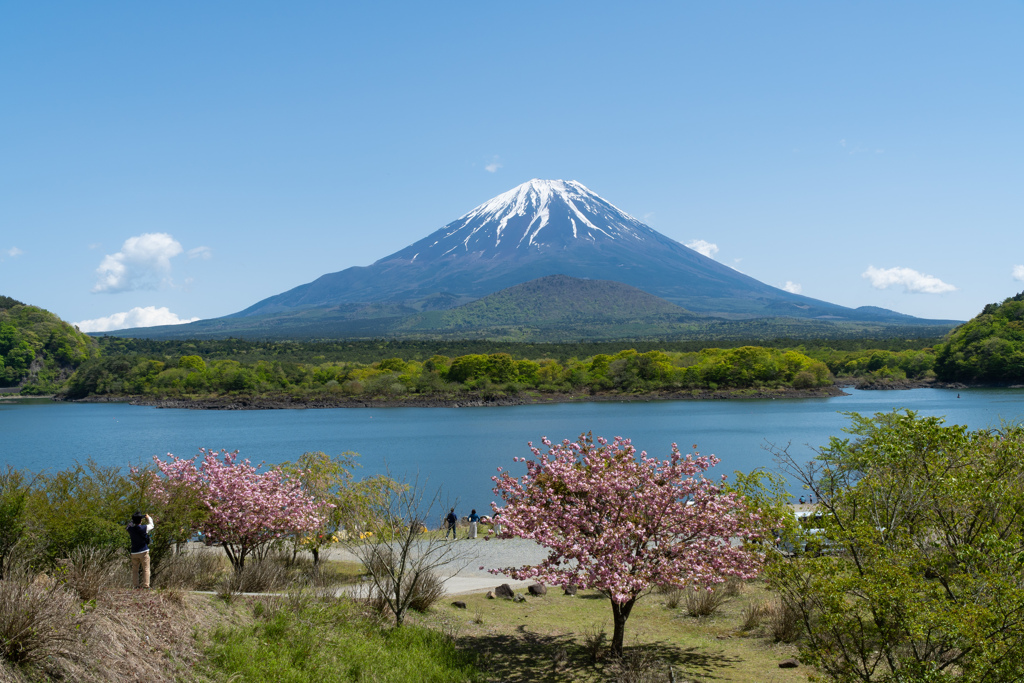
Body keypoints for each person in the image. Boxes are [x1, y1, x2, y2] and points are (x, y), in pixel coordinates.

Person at [126, 512, 155, 589]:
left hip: (134, 552)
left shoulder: (130, 529)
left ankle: (136, 585)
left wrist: (133, 520)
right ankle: (146, 585)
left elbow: (128, 526)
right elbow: (152, 525)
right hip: (143, 551)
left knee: (135, 570)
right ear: (141, 520)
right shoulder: (144, 528)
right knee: (146, 569)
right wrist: (148, 518)